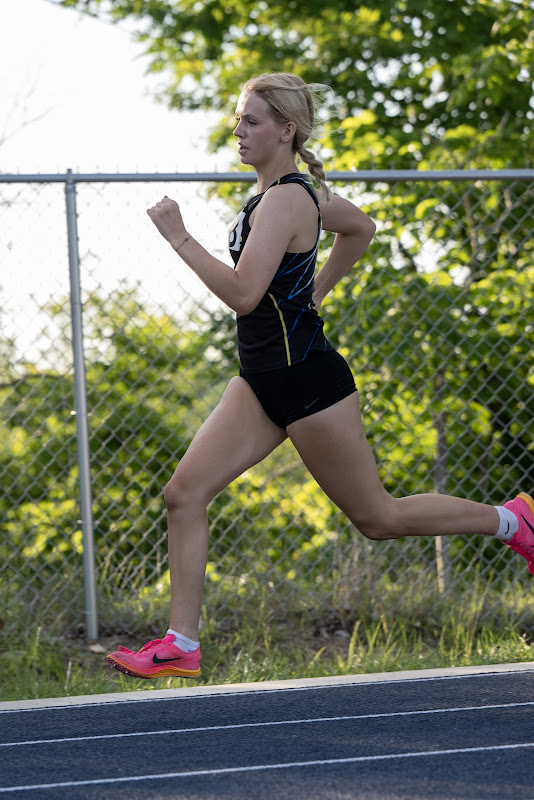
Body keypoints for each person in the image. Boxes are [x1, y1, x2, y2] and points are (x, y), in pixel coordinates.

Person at [107, 72, 534, 680]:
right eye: (238, 119)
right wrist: (315, 291)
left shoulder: (286, 198)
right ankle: (181, 644)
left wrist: (180, 238)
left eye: (252, 120)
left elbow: (245, 295)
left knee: (377, 519)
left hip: (307, 380)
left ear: (287, 130)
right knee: (185, 494)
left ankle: (513, 519)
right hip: (259, 381)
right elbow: (359, 229)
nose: (239, 130)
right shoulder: (285, 195)